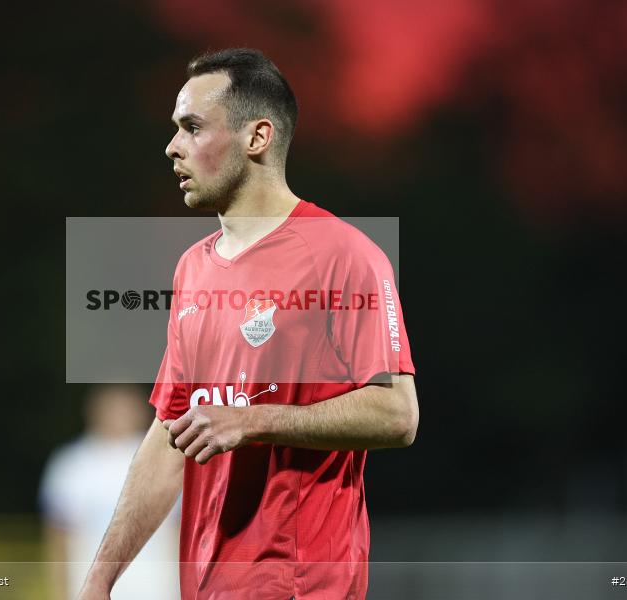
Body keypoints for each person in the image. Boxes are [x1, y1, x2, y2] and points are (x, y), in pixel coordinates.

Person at [79, 48, 418, 600]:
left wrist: (251, 419)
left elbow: (398, 413)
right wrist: (100, 577)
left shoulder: (343, 254)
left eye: (192, 127)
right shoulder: (193, 268)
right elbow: (171, 435)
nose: (172, 147)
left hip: (303, 587)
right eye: (175, 129)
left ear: (257, 138)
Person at [40, 384, 179, 600]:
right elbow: (58, 537)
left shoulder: (167, 456)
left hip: (157, 589)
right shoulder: (70, 464)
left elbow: (179, 529)